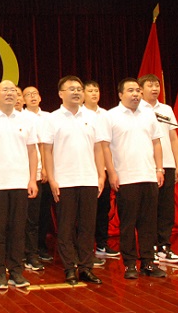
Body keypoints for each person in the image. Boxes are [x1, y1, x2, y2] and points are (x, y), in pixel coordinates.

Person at [41, 76, 107, 285]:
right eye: (72, 89)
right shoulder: (52, 118)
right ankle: (70, 267)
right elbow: (47, 150)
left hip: (89, 179)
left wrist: (101, 174)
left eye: (79, 89)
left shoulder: (93, 117)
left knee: (87, 227)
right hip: (64, 181)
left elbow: (98, 148)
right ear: (61, 94)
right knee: (66, 228)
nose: (77, 92)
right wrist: (52, 178)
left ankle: (86, 268)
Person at [0, 80, 39, 290]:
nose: (10, 93)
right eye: (5, 90)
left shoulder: (26, 119)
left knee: (18, 229)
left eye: (13, 90)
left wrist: (32, 179)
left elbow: (32, 151)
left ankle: (16, 271)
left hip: (20, 182)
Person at [104, 78, 166, 279]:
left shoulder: (148, 114)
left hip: (148, 176)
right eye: (130, 90)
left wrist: (159, 169)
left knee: (149, 223)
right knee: (128, 224)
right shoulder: (111, 116)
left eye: (138, 90)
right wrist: (112, 172)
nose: (136, 94)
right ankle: (130, 264)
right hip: (126, 178)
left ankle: (148, 262)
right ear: (120, 94)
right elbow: (105, 147)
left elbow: (156, 143)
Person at [138, 74, 178, 264]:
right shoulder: (137, 110)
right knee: (150, 207)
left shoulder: (166, 109)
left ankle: (165, 245)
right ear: (141, 90)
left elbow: (173, 138)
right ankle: (150, 247)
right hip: (147, 165)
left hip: (168, 164)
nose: (155, 88)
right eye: (150, 85)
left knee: (166, 208)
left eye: (157, 85)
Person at [83, 80, 121, 260]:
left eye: (96, 90)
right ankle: (84, 247)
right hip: (85, 169)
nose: (94, 93)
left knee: (103, 209)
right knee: (85, 212)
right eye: (90, 90)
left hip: (103, 169)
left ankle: (102, 244)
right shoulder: (79, 114)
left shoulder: (107, 115)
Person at [21, 86, 49, 271]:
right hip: (16, 175)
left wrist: (45, 168)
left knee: (38, 215)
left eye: (35, 94)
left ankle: (36, 250)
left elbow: (43, 145)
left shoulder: (48, 117)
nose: (32, 97)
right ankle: (21, 253)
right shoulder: (22, 117)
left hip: (37, 173)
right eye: (27, 95)